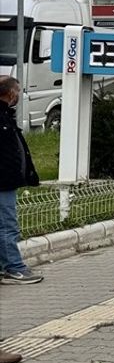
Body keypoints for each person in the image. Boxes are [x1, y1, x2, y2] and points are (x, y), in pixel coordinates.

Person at [1, 76, 41, 289]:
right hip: (3, 182)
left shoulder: (6, 115)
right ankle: (13, 268)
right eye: (17, 91)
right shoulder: (1, 117)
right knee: (8, 225)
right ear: (10, 93)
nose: (18, 95)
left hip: (7, 180)